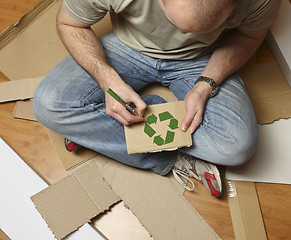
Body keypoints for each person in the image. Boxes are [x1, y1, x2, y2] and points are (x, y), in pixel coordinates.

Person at [33, 0, 281, 197]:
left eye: (198, 29)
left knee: (236, 147)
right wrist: (108, 81)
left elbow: (249, 36)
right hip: (127, 47)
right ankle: (176, 158)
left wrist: (206, 84)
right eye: (174, 20)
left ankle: (95, 130)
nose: (182, 33)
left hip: (202, 59)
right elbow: (69, 24)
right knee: (49, 105)